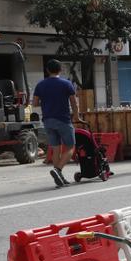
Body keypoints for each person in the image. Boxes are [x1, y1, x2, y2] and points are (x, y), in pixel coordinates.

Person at [32, 59, 79, 188]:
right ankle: (57, 170)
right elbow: (74, 103)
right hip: (63, 119)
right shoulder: (66, 84)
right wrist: (77, 116)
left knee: (56, 149)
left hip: (47, 120)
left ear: (47, 70)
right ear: (60, 70)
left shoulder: (40, 85)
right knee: (70, 147)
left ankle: (59, 176)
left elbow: (35, 103)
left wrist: (47, 102)